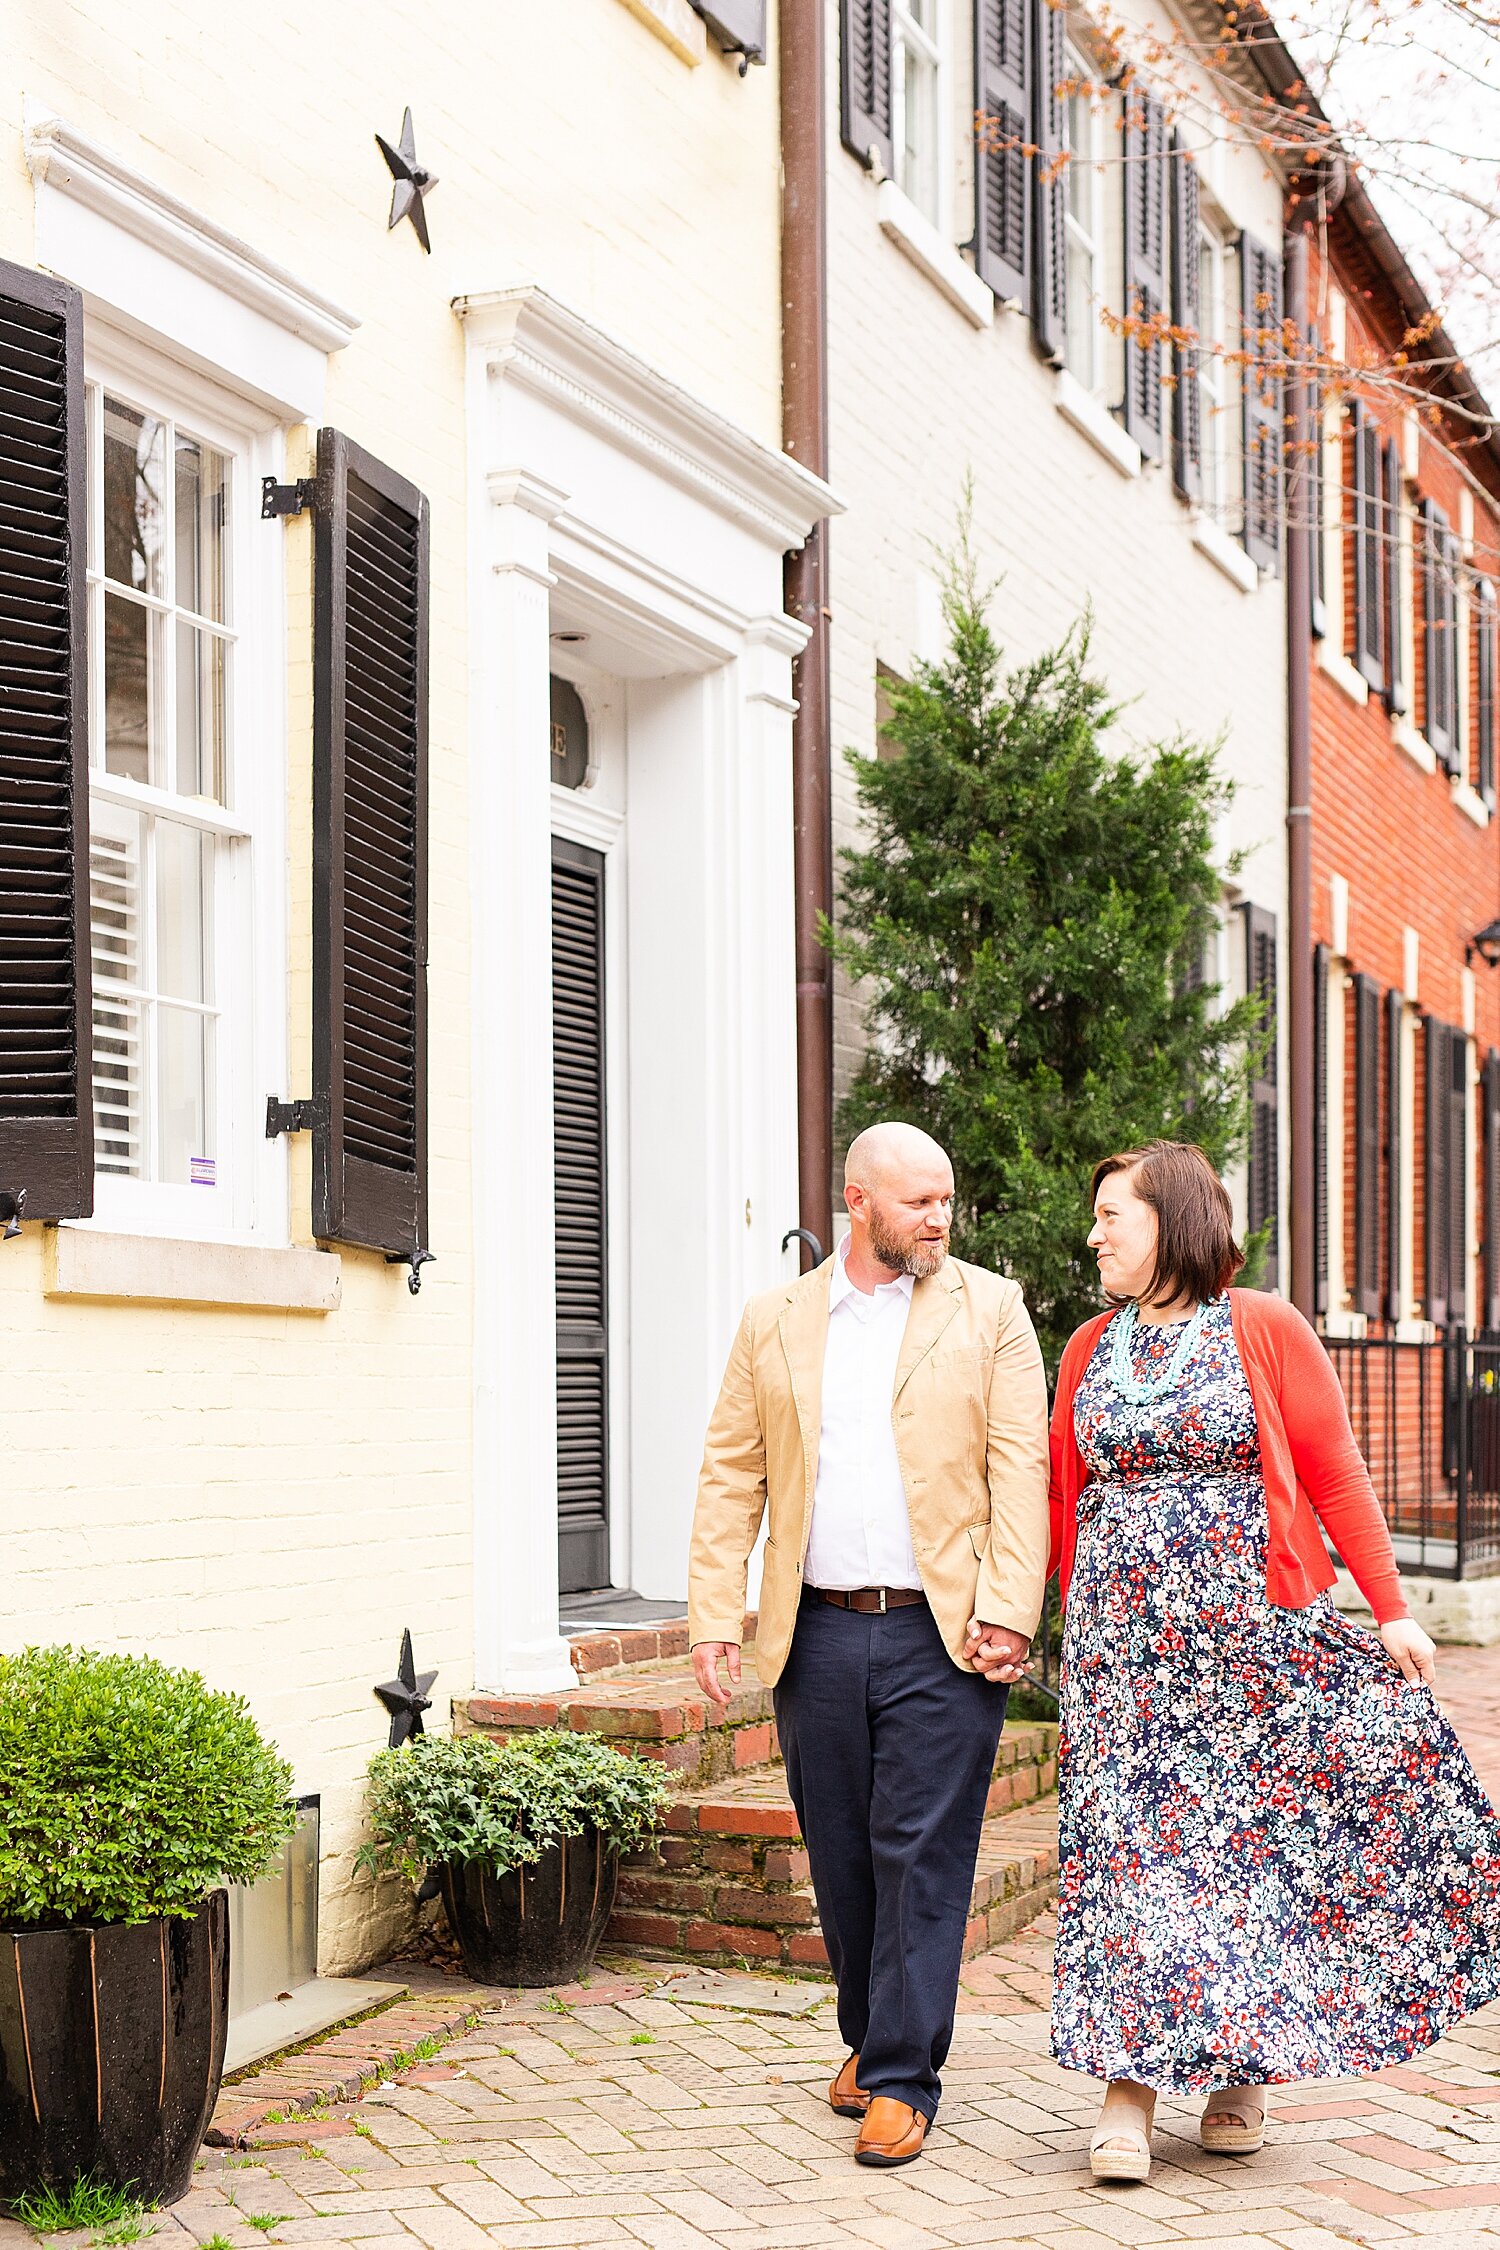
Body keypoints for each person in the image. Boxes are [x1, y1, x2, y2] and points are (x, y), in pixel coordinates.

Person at [1037, 1140, 1500, 2184]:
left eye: (1114, 1215)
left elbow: (1334, 1468)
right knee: (1130, 1861)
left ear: (1174, 1221)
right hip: (1124, 1660)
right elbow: (1066, 1498)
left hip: (1250, 1647)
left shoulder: (1262, 1325)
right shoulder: (1087, 1349)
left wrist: (1389, 1609)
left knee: (1243, 1858)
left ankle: (1239, 2072)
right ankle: (1129, 2086)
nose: (1095, 1233)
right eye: (1098, 1217)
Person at [688, 1122, 1050, 2167]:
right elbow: (731, 1472)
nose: (940, 1220)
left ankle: (900, 2074)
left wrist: (1007, 1609)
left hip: (943, 1637)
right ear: (858, 1201)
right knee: (842, 1857)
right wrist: (717, 1611)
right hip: (818, 1633)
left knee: (921, 1857)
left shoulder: (992, 1310)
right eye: (918, 1203)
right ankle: (870, 2034)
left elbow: (1017, 1471)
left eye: (947, 1200)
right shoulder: (777, 1320)